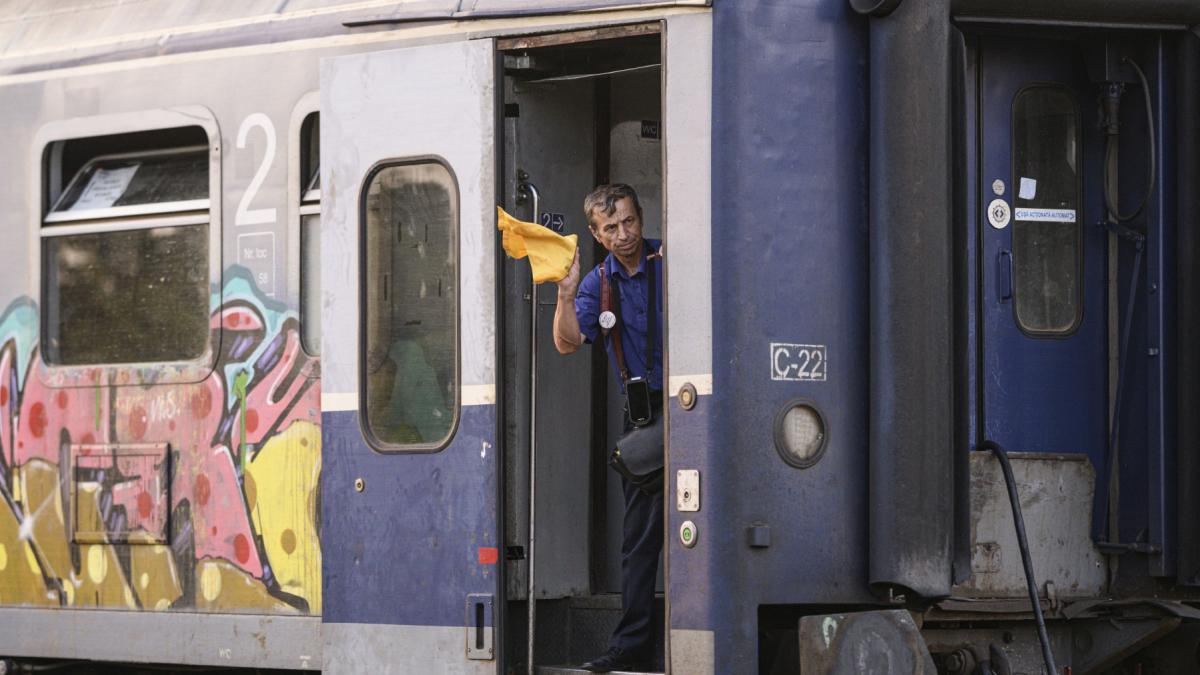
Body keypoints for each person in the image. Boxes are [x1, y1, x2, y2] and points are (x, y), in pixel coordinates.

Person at [553, 184, 663, 673]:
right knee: (639, 538)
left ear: (641, 217)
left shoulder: (671, 261)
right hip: (643, 419)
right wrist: (565, 293)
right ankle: (631, 648)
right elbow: (567, 342)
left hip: (695, 406)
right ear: (597, 235)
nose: (624, 234)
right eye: (612, 228)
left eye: (629, 221)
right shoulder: (597, 284)